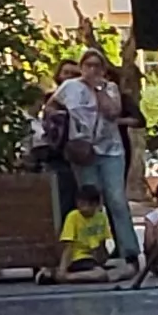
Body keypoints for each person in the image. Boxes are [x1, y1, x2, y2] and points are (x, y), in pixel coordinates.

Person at [50, 49, 139, 265]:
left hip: (111, 150)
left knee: (116, 200)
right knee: (91, 202)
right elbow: (51, 105)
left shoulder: (110, 88)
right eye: (88, 65)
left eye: (97, 66)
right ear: (81, 67)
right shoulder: (70, 87)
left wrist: (98, 89)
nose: (92, 70)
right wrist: (59, 121)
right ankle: (93, 249)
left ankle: (129, 250)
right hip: (82, 151)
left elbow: (113, 112)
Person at [56, 182, 117, 282]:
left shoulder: (101, 217)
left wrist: (101, 258)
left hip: (93, 258)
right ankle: (67, 277)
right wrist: (63, 269)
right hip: (78, 258)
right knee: (100, 275)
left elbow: (102, 244)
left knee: (126, 270)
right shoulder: (73, 217)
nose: (82, 208)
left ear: (96, 205)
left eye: (86, 205)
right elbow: (68, 247)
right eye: (80, 204)